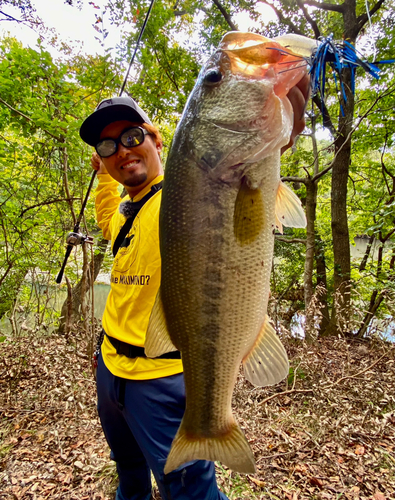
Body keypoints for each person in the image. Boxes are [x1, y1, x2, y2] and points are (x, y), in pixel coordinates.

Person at [79, 75, 310, 500]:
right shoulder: (127, 213)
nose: (123, 151)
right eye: (108, 146)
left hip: (162, 383)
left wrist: (273, 130)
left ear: (158, 139)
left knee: (189, 492)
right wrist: (105, 176)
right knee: (128, 472)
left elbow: (228, 171)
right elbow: (108, 215)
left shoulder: (185, 195)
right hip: (109, 370)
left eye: (132, 136)